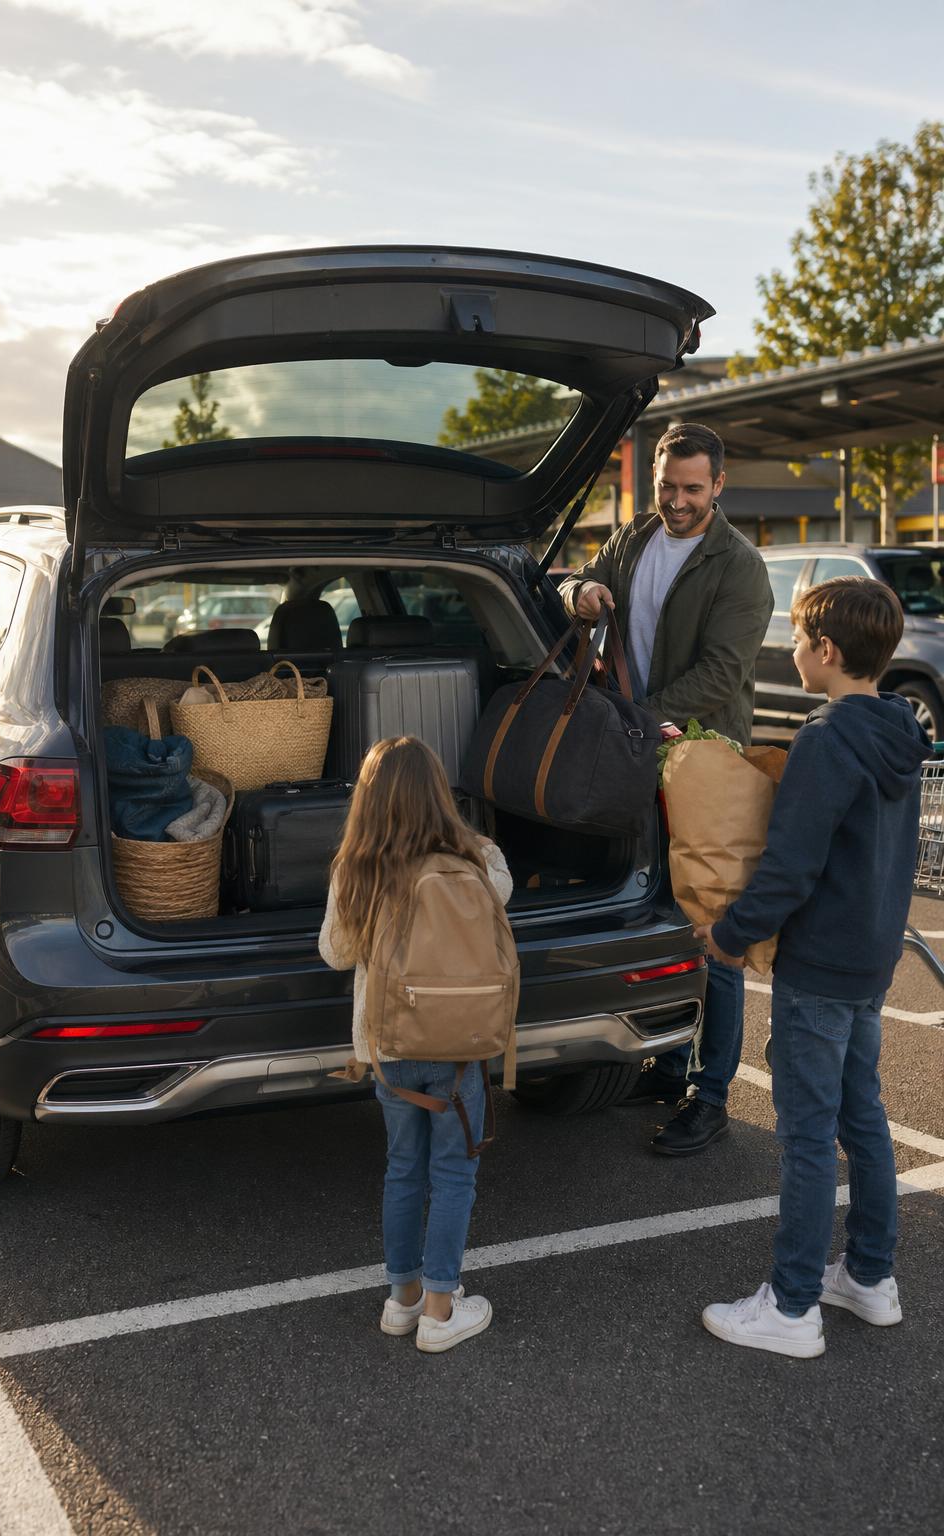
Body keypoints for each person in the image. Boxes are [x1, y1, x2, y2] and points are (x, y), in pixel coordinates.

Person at [696, 577, 932, 1357]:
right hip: (870, 958)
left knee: (804, 1138)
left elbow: (790, 867)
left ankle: (792, 1307)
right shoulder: (901, 729)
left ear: (826, 652)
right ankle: (869, 1277)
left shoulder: (827, 741)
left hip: (821, 965)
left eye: (797, 640)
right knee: (862, 1120)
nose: (791, 651)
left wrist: (731, 933)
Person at [558, 422, 774, 1154]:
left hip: (702, 764)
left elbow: (722, 673)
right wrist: (579, 592)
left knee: (716, 933)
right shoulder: (631, 540)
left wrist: (635, 721)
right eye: (667, 487)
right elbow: (571, 587)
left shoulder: (739, 567)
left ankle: (711, 1095)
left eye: (692, 489)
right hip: (638, 756)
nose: (677, 502)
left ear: (718, 486)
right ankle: (670, 1061)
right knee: (659, 912)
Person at [318, 736, 513, 1354]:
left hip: (390, 1046)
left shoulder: (359, 868)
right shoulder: (477, 858)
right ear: (439, 792)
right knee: (454, 1173)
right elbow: (502, 897)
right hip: (461, 1044)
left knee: (403, 1169)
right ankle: (441, 1308)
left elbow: (335, 952)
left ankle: (402, 1302)